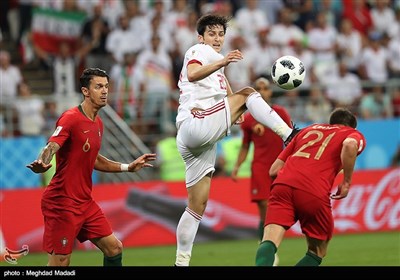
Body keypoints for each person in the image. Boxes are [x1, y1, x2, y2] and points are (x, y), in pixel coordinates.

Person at [174, 14, 299, 267]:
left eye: (220, 34)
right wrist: (225, 61)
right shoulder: (199, 50)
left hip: (196, 138)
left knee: (197, 205)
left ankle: (180, 262)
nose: (217, 38)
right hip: (196, 123)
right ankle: (290, 135)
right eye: (211, 33)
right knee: (250, 92)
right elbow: (193, 73)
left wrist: (238, 112)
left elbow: (227, 93)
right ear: (201, 37)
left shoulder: (218, 70)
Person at [26, 68, 156, 266]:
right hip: (62, 202)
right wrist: (43, 161)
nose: (104, 91)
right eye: (98, 87)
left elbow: (94, 159)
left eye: (106, 87)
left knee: (114, 248)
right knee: (60, 262)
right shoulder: (70, 118)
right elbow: (52, 145)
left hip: (84, 202)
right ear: (86, 91)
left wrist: (127, 167)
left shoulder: (98, 123)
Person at [255, 107, 366, 266]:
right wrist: (346, 182)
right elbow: (349, 145)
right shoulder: (351, 134)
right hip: (313, 189)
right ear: (352, 127)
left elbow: (274, 170)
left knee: (269, 240)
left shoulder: (307, 131)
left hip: (282, 185)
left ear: (331, 123)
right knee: (318, 250)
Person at [231, 77, 292, 259]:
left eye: (265, 88)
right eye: (258, 88)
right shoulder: (249, 119)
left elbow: (290, 139)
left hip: (279, 165)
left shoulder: (281, 112)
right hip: (260, 167)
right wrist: (236, 166)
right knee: (264, 207)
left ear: (270, 91)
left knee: (277, 208)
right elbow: (244, 146)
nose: (262, 91)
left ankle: (269, 246)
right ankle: (267, 251)